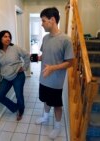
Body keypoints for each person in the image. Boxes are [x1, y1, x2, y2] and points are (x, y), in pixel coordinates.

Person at [34, 7, 74, 139]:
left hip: (56, 82)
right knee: (45, 100)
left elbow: (70, 62)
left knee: (57, 105)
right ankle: (45, 117)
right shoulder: (45, 38)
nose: (42, 23)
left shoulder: (66, 40)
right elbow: (43, 55)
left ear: (52, 20)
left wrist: (53, 68)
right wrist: (33, 58)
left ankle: (57, 127)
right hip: (43, 79)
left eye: (43, 20)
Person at [0, 30, 30, 121]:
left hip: (18, 75)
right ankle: (15, 107)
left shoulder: (15, 48)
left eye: (9, 37)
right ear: (0, 38)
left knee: (19, 95)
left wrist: (24, 67)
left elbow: (27, 55)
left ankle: (21, 110)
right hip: (6, 77)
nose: (8, 38)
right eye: (5, 36)